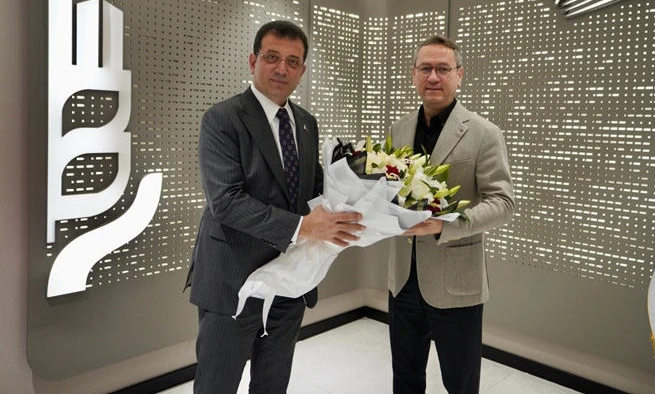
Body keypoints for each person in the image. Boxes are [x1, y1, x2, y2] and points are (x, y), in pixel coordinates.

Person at [185, 20, 364, 394]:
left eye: (292, 61)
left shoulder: (306, 123)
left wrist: (359, 195)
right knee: (216, 386)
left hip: (290, 282)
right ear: (253, 61)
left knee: (272, 385)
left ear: (302, 70)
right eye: (272, 57)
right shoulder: (222, 118)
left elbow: (313, 188)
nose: (282, 68)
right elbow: (226, 202)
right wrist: (303, 227)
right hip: (233, 281)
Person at [388, 35, 515, 394]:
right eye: (425, 68)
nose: (433, 77)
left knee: (460, 384)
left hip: (456, 285)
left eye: (443, 69)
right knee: (405, 380)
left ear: (459, 75)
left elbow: (503, 202)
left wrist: (445, 225)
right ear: (413, 74)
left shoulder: (484, 133)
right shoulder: (399, 129)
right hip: (402, 280)